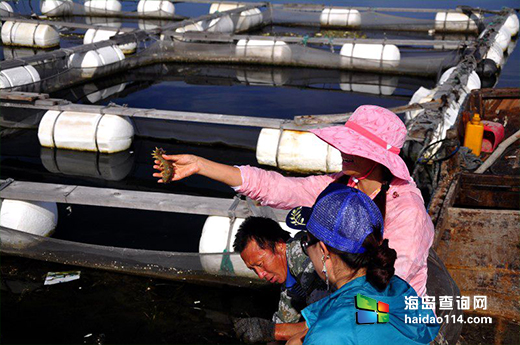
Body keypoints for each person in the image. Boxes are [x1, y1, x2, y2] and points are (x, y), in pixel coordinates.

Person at [153, 105, 434, 338]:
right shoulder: (343, 185)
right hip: (349, 298)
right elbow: (278, 187)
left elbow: (384, 292)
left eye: (354, 147)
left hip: (391, 316)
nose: (342, 151)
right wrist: (202, 166)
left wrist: (287, 330)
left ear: (377, 158)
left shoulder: (406, 210)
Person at [285, 184, 439, 345]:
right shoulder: (396, 289)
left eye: (306, 243)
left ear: (324, 251)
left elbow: (346, 326)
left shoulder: (329, 336)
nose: (307, 252)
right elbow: (366, 319)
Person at [232, 217, 328, 343]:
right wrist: (270, 333)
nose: (260, 275)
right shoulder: (288, 278)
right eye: (253, 269)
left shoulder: (304, 261)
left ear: (279, 245)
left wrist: (271, 331)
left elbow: (324, 324)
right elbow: (284, 320)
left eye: (260, 264)